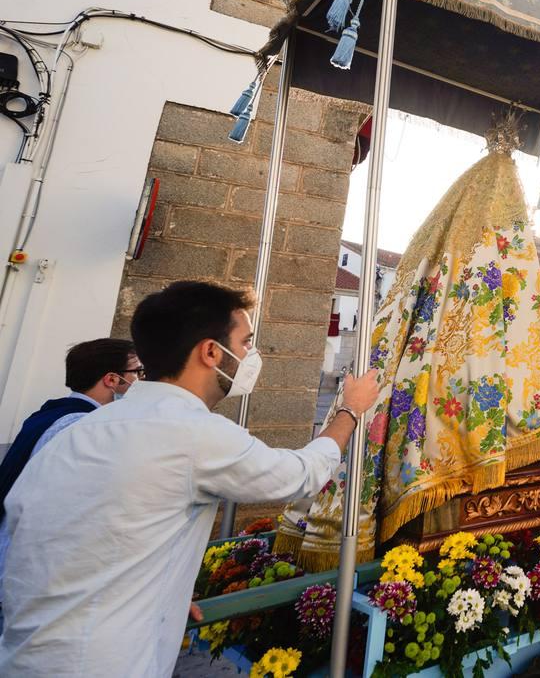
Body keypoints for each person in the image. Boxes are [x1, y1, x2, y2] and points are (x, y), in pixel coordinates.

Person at [0, 281, 380, 676]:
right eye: (246, 342)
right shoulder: (192, 433)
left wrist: (157, 590)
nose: (251, 355)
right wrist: (350, 410)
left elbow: (40, 539)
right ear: (211, 352)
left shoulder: (83, 430)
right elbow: (298, 475)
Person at [0, 338, 141, 628]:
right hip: (36, 583)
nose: (142, 380)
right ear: (113, 380)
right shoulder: (82, 428)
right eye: (138, 372)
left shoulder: (50, 415)